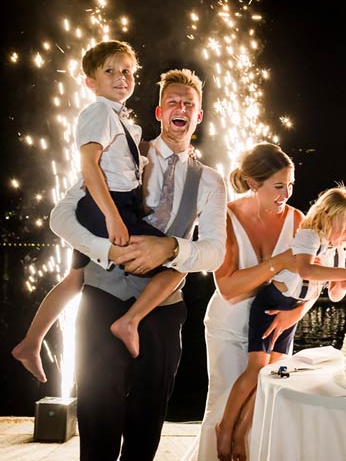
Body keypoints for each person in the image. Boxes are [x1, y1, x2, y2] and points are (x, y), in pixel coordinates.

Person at [49, 67, 227, 461]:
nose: (181, 108)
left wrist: (170, 249)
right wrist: (108, 251)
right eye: (173, 102)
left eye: (189, 104)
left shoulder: (212, 181)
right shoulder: (119, 148)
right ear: (159, 112)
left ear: (198, 116)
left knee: (149, 415)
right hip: (102, 296)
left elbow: (215, 252)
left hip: (163, 310)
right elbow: (61, 216)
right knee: (97, 410)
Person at [12, 41, 185, 384]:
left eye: (126, 71)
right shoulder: (99, 113)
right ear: (90, 82)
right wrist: (112, 217)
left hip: (105, 203)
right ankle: (129, 321)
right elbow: (89, 165)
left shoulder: (116, 115)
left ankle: (30, 343)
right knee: (176, 260)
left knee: (75, 279)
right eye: (110, 71)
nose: (121, 78)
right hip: (108, 204)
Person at [216, 186, 346, 461]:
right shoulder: (309, 236)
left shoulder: (337, 251)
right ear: (330, 216)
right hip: (272, 304)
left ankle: (242, 432)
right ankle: (225, 427)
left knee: (272, 374)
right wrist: (344, 272)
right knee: (256, 370)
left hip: (293, 311)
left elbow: (334, 294)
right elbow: (306, 269)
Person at [182, 142, 305, 461]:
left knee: (264, 408)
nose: (286, 194)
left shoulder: (297, 220)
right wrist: (278, 263)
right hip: (229, 329)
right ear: (253, 183)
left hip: (272, 331)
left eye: (290, 185)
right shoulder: (226, 218)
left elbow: (308, 281)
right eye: (278, 186)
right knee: (223, 405)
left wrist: (296, 314)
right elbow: (228, 287)